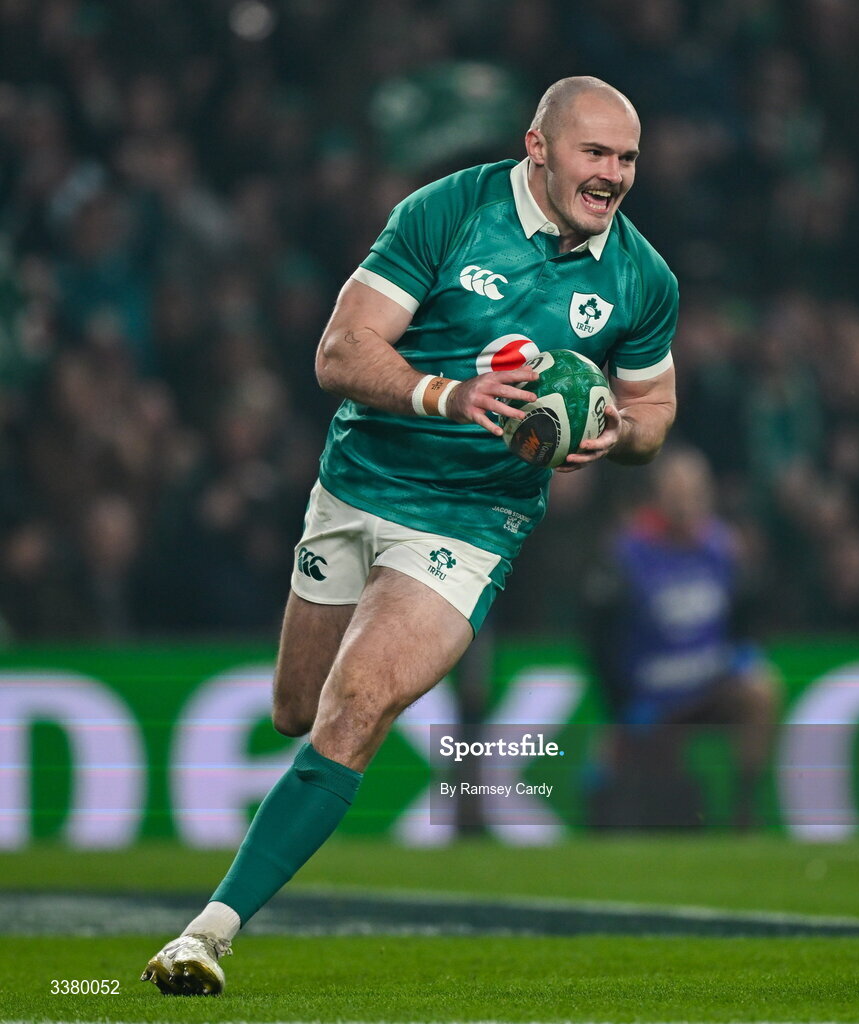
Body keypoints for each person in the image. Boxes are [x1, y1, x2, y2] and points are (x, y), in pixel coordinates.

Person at [141, 75, 679, 995]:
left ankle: (205, 933)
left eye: (627, 158)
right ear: (539, 147)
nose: (614, 175)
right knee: (297, 712)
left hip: (472, 522)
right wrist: (449, 395)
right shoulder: (446, 212)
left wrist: (617, 436)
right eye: (596, 153)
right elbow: (339, 353)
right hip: (354, 491)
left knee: (356, 708)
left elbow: (654, 408)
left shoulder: (641, 276)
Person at [584, 445, 780, 831]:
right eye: (676, 493)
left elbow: (749, 611)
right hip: (651, 693)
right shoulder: (628, 552)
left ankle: (744, 806)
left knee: (761, 690)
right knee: (628, 792)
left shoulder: (724, 548)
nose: (685, 503)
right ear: (658, 495)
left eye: (694, 492)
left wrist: (743, 651)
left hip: (708, 682)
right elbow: (598, 636)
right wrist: (620, 702)